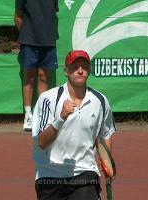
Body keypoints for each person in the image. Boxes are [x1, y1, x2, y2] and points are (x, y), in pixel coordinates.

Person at [32, 50, 116, 200]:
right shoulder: (48, 99)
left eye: (84, 66)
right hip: (50, 176)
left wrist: (106, 165)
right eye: (74, 66)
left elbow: (105, 135)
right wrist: (61, 117)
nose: (80, 70)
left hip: (85, 174)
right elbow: (42, 142)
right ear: (66, 71)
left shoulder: (101, 101)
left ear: (89, 70)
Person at [14, 0, 59, 131]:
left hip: (48, 40)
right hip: (29, 40)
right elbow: (18, 16)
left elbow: (53, 12)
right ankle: (28, 115)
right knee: (29, 77)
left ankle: (42, 114)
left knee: (43, 76)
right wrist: (26, 35)